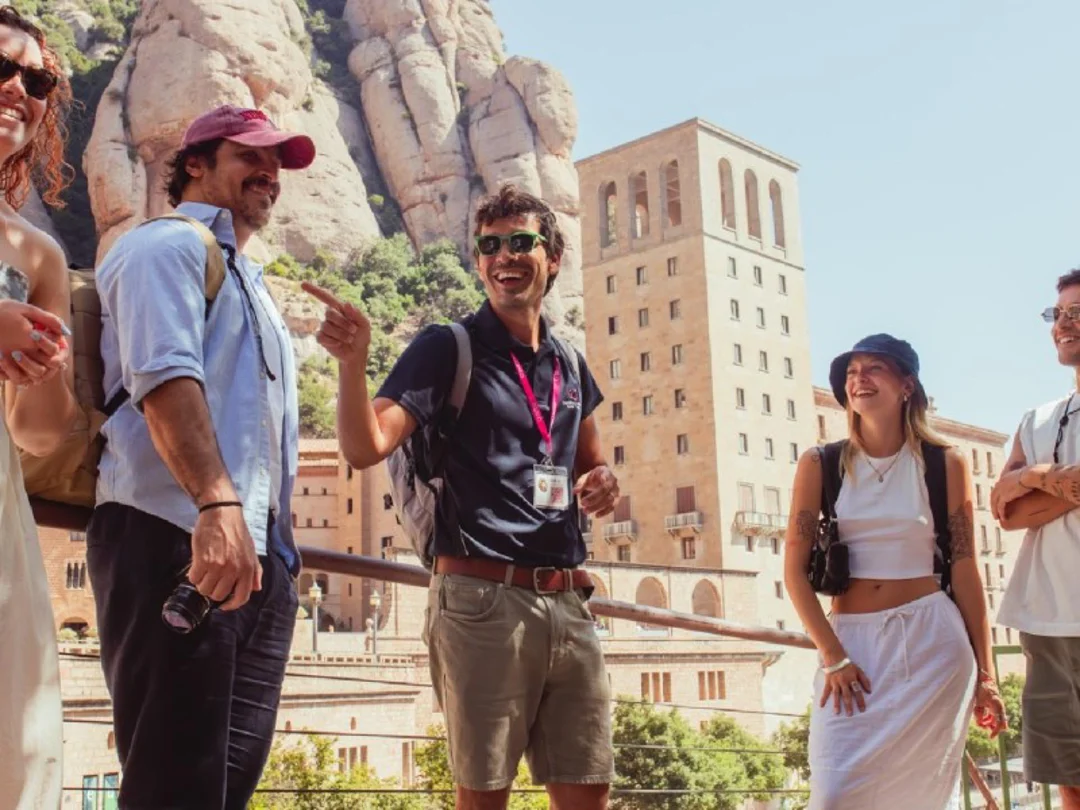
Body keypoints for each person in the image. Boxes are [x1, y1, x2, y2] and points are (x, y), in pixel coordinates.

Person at [305, 184, 618, 810]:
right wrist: (352, 364)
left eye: (522, 242)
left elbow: (591, 463)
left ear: (552, 257)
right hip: (479, 602)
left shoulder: (571, 365)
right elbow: (366, 447)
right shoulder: (446, 346)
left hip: (567, 602)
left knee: (590, 793)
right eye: (490, 245)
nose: (505, 255)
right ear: (479, 263)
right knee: (484, 798)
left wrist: (604, 482)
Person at [87, 105, 315, 809]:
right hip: (175, 538)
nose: (269, 173)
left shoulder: (254, 285)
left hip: (253, 562)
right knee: (171, 790)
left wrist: (277, 559)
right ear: (195, 164)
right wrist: (216, 506)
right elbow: (164, 378)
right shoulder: (164, 246)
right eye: (250, 156)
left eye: (277, 163)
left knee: (222, 793)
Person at [783, 334, 1006, 809]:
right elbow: (794, 574)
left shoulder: (945, 463)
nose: (859, 378)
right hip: (850, 649)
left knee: (923, 798)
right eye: (851, 371)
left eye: (874, 368)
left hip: (933, 645)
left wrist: (987, 677)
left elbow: (966, 573)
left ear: (907, 385)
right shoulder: (819, 463)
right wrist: (833, 656)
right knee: (835, 796)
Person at [0, 7, 77, 808]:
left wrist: (45, 368)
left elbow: (41, 431)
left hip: (0, 518)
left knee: (17, 755)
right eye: (2, 67)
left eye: (39, 81)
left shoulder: (37, 251)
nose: (19, 90)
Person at [991, 269, 1080, 810]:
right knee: (1070, 777)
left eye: (1078, 313)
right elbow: (1005, 513)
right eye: (1059, 314)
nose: (1064, 324)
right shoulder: (1039, 416)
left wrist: (1032, 489)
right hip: (1047, 621)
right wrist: (1040, 477)